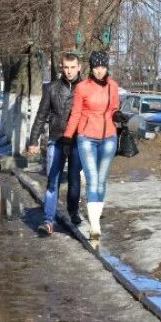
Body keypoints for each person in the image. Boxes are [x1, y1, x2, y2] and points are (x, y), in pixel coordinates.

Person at [62, 51, 120, 239]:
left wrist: (119, 116)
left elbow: (114, 109)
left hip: (109, 137)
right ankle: (94, 226)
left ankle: (95, 216)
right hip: (86, 137)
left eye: (103, 67)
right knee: (92, 179)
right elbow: (76, 114)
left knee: (102, 180)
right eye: (96, 67)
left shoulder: (113, 86)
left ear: (107, 67)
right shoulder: (82, 87)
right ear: (91, 67)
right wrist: (68, 136)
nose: (100, 71)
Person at [27, 52, 84, 235]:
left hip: (77, 140)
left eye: (72, 67)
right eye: (66, 68)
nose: (69, 71)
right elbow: (41, 115)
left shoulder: (85, 88)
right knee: (53, 181)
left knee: (74, 181)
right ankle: (48, 220)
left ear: (79, 67)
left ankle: (73, 211)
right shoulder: (51, 88)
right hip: (56, 139)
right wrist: (33, 140)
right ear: (61, 67)